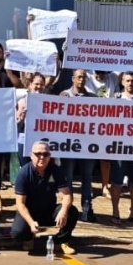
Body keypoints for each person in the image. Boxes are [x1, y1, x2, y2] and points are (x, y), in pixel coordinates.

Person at [11, 140, 78, 255]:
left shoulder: (56, 170)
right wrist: (31, 222)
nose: (42, 157)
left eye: (45, 154)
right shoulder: (24, 173)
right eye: (38, 154)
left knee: (72, 211)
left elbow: (66, 195)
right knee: (17, 232)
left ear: (49, 156)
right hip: (29, 212)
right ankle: (28, 239)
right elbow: (20, 204)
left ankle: (61, 241)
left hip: (48, 211)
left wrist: (63, 210)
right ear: (31, 156)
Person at [59, 70, 98, 223]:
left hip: (88, 146)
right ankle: (67, 208)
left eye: (84, 77)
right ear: (73, 79)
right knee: (67, 178)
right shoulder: (64, 95)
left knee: (87, 178)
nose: (81, 80)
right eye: (79, 77)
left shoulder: (93, 98)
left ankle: (87, 208)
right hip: (69, 145)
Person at [110, 72, 133, 226]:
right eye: (127, 81)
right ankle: (115, 212)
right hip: (119, 148)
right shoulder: (115, 100)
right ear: (122, 82)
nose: (130, 83)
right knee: (117, 182)